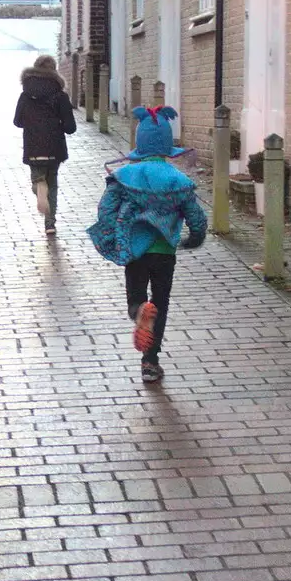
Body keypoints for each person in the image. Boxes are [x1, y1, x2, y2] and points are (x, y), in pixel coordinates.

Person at [86, 106, 207, 383]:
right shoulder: (179, 180)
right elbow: (197, 218)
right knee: (161, 301)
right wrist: (194, 238)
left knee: (136, 295)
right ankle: (150, 362)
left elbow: (106, 209)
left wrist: (109, 235)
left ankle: (139, 310)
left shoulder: (125, 176)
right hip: (165, 251)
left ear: (139, 143)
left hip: (134, 250)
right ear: (167, 145)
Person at [12, 54, 77, 236]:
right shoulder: (60, 95)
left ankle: (38, 186)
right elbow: (70, 127)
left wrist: (32, 123)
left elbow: (17, 121)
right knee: (53, 185)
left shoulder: (25, 95)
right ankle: (50, 224)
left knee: (39, 180)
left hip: (33, 146)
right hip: (54, 147)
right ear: (54, 71)